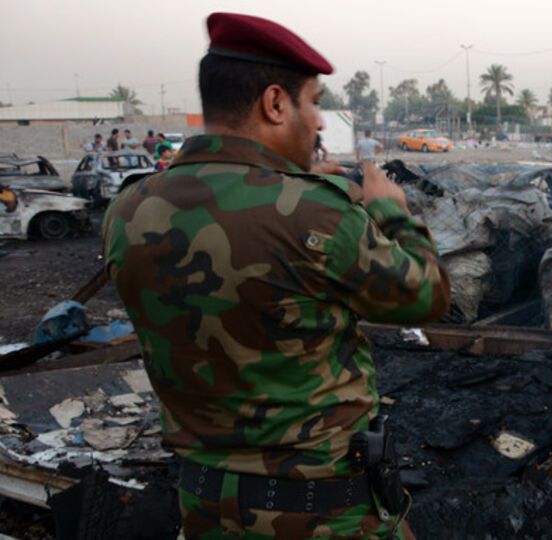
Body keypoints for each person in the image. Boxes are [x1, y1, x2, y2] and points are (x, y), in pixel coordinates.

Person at [102, 12, 450, 539]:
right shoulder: (320, 214)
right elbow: (428, 297)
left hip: (205, 511)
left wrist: (294, 187)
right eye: (313, 102)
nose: (317, 122)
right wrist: (390, 210)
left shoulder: (129, 209)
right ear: (274, 103)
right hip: (325, 516)